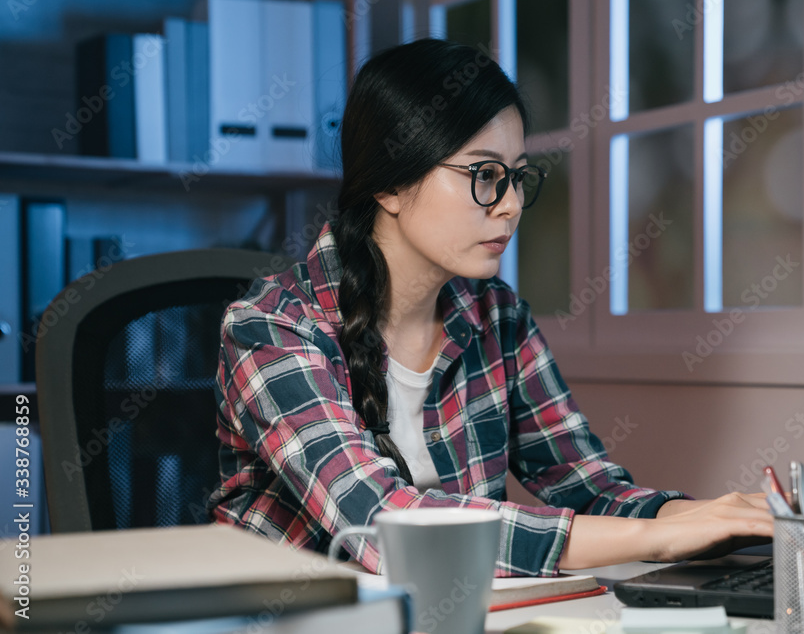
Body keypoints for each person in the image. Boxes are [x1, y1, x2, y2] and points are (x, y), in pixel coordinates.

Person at [207, 38, 773, 577]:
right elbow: (381, 524)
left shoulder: (498, 318)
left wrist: (715, 519)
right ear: (391, 185)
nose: (511, 206)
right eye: (484, 176)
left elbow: (590, 489)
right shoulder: (270, 329)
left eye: (518, 178)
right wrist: (655, 540)